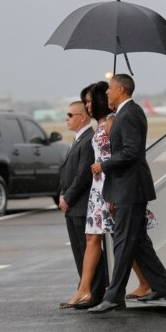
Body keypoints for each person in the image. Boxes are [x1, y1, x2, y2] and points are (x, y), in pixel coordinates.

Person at [88, 75, 166, 313]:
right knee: (138, 243)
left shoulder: (131, 113)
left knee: (123, 242)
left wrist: (103, 165)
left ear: (122, 90)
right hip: (126, 187)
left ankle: (114, 296)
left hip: (131, 187)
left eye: (110, 90)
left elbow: (132, 152)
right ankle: (163, 286)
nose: (106, 94)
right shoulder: (123, 114)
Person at [57, 99, 102, 309]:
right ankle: (84, 289)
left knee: (88, 251)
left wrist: (68, 197)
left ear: (82, 117)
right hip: (73, 205)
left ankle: (93, 292)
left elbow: (83, 174)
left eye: (70, 115)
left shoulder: (89, 140)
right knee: (79, 251)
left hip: (82, 205)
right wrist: (62, 194)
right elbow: (68, 173)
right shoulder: (77, 139)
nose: (66, 119)